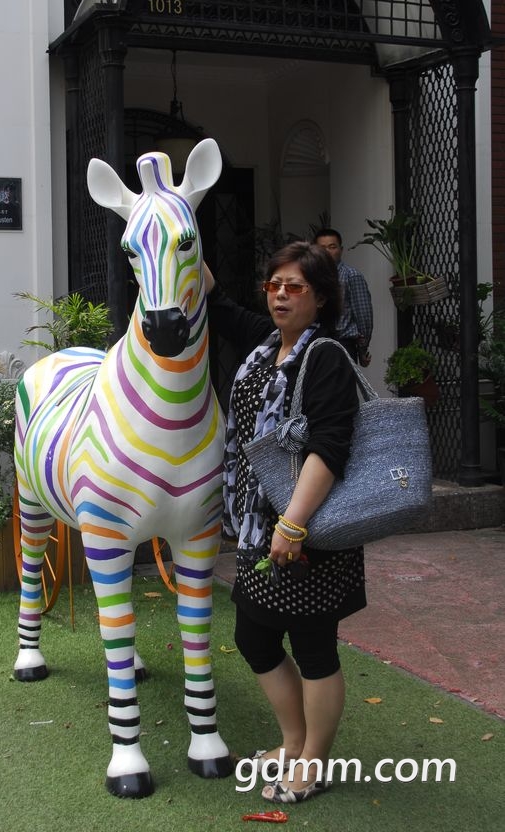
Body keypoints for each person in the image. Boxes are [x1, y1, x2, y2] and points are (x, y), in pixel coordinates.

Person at [204, 243, 366, 804]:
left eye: (295, 286)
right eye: (274, 284)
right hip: (259, 523)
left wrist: (293, 524)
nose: (280, 294)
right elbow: (219, 305)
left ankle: (313, 763)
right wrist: (176, 226)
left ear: (320, 297)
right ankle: (294, 742)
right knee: (253, 635)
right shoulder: (267, 345)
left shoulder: (326, 356)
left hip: (309, 528)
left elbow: (329, 447)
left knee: (314, 647)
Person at [313, 228, 373, 366]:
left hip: (342, 344)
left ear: (341, 249)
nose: (327, 252)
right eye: (322, 248)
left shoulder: (351, 275)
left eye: (332, 247)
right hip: (314, 343)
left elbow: (364, 317)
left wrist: (362, 349)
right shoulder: (309, 276)